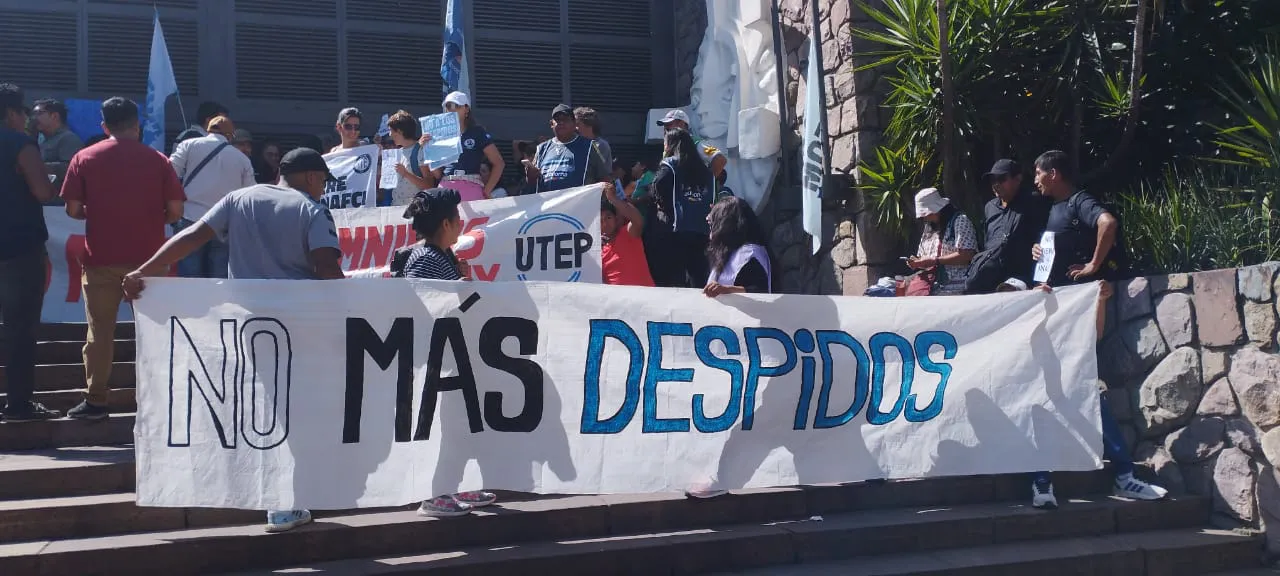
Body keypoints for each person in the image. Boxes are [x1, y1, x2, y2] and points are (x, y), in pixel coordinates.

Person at [121, 147, 345, 533]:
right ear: (311, 177)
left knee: (269, 412)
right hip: (301, 326)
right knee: (297, 414)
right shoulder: (312, 210)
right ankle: (285, 501)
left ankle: (278, 500)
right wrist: (359, 309)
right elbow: (326, 267)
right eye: (323, 181)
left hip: (249, 326)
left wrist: (143, 271)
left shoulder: (238, 199)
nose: (323, 188)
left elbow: (191, 236)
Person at [60, 97, 185, 421]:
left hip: (100, 259)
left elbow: (73, 209)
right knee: (154, 331)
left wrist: (97, 211)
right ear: (137, 125)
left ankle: (96, 400)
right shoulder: (158, 160)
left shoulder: (84, 157)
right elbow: (175, 211)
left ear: (104, 126)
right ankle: (157, 399)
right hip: (150, 263)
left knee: (99, 333)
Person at [996, 277, 1168, 508]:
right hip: (1023, 396)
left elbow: (1091, 335)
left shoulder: (1051, 320)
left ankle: (1125, 477)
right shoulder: (998, 325)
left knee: (1094, 400)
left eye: (1016, 294)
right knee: (1032, 410)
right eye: (1005, 294)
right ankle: (1041, 480)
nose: (1010, 298)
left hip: (1060, 390)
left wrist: (1100, 300)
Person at [396, 188, 499, 517]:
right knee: (451, 425)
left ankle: (456, 485)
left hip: (448, 355)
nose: (461, 224)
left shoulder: (435, 256)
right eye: (458, 219)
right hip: (439, 359)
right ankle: (436, 493)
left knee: (463, 422)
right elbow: (443, 308)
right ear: (446, 223)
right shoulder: (428, 259)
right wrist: (470, 291)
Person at [0, 83, 59, 422]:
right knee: (20, 330)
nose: (26, 119)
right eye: (23, 112)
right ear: (11, 113)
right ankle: (18, 404)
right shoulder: (21, 143)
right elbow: (42, 191)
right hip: (19, 250)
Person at [168, 111, 255, 279]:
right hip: (223, 223)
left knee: (190, 276)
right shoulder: (242, 159)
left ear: (208, 130)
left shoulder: (188, 145)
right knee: (218, 277)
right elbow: (250, 194)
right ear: (230, 136)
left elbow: (170, 173)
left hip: (190, 219)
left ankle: (191, 305)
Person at [1031, 150, 1124, 286]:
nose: (1035, 180)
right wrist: (1039, 249)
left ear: (1053, 174)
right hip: (1062, 290)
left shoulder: (1080, 201)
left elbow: (1108, 223)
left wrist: (1093, 264)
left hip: (1086, 291)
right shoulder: (1052, 206)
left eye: (1038, 174)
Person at [964, 159, 1049, 294]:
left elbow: (1045, 236)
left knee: (1007, 290)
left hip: (1020, 276)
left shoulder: (1033, 201)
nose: (996, 184)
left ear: (1018, 179)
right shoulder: (990, 207)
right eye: (992, 180)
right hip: (990, 275)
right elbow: (988, 242)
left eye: (1001, 178)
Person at [649, 128, 716, 288]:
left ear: (670, 145)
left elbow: (658, 186)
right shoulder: (705, 170)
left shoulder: (670, 164)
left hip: (674, 229)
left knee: (673, 279)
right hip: (701, 231)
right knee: (698, 276)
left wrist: (660, 203)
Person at [421, 92, 504, 202]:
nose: (452, 109)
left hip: (471, 185)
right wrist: (426, 150)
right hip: (446, 187)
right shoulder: (438, 136)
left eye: (456, 106)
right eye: (448, 106)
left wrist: (487, 190)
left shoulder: (477, 132)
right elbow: (437, 174)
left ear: (466, 109)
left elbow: (499, 163)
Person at [906, 187, 977, 296]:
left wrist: (936, 261)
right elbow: (925, 258)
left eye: (928, 213)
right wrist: (918, 263)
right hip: (932, 287)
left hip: (957, 288)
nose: (925, 218)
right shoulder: (929, 228)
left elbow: (967, 255)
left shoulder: (960, 221)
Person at [526, 104, 610, 194]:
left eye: (566, 119)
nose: (561, 123)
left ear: (574, 124)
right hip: (548, 206)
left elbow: (604, 179)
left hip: (579, 205)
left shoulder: (589, 146)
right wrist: (530, 176)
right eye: (558, 120)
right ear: (551, 124)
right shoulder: (542, 149)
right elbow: (532, 182)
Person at [704, 196, 773, 297]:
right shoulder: (727, 253)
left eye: (716, 220)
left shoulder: (751, 254)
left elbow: (759, 290)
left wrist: (725, 289)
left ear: (726, 224)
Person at [655, 109, 727, 191]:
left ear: (681, 124)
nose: (665, 128)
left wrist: (704, 185)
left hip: (697, 200)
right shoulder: (669, 146)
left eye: (669, 124)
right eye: (664, 126)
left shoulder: (698, 143)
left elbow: (720, 159)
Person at [600, 184, 654, 287]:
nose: (605, 224)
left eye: (608, 218)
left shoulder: (627, 234)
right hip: (618, 301)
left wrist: (613, 199)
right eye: (600, 221)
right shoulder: (596, 251)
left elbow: (638, 220)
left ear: (616, 218)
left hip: (646, 298)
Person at [32, 98, 83, 189]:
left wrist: (36, 166)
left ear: (54, 116)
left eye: (39, 113)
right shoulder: (42, 140)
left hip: (59, 200)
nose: (34, 118)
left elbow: (70, 169)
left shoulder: (68, 138)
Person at [387, 109, 431, 206]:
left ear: (399, 131)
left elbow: (429, 185)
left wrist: (406, 174)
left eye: (390, 131)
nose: (389, 135)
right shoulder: (396, 153)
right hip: (395, 210)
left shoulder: (420, 151)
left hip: (415, 210)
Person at [574, 107, 611, 171]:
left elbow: (599, 169)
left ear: (589, 124)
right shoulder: (574, 143)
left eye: (577, 124)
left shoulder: (600, 145)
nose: (574, 128)